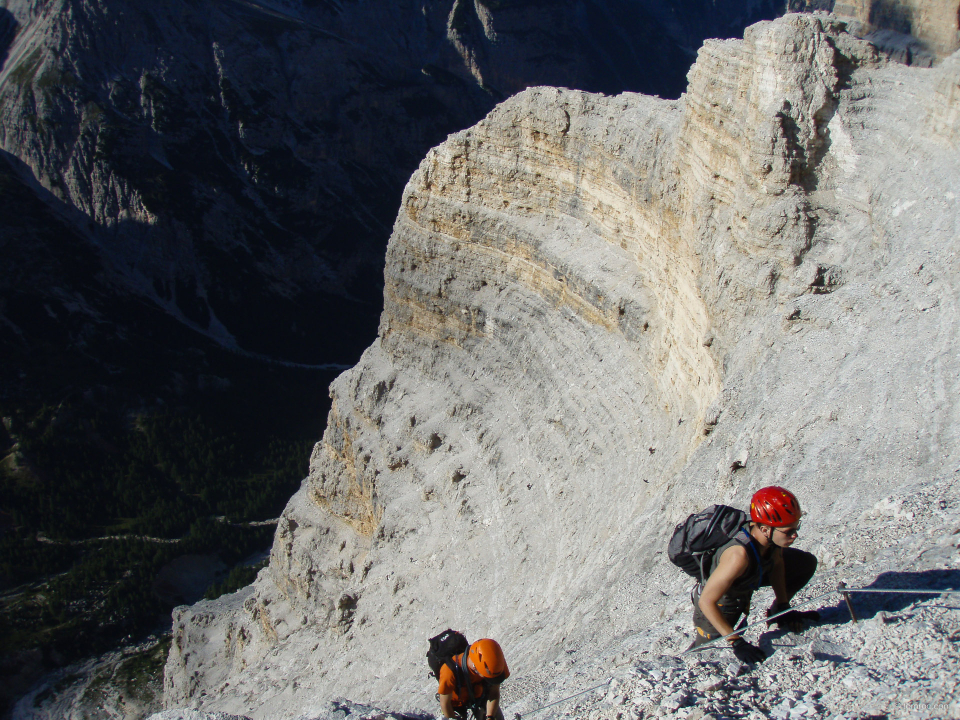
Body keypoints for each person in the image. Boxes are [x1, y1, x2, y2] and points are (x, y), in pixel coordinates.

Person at [690, 486, 820, 663]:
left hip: (750, 576)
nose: (795, 535)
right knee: (707, 651)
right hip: (723, 601)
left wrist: (782, 605)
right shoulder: (738, 556)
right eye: (789, 531)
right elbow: (707, 601)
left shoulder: (770, 540)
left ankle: (777, 612)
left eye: (796, 528)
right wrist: (736, 642)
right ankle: (689, 658)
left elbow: (777, 563)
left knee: (805, 563)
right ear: (765, 529)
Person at [437, 638, 510, 720]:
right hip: (455, 704)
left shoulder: (496, 665)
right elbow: (445, 703)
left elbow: (494, 693)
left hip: (480, 697)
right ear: (476, 668)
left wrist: (490, 717)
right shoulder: (449, 671)